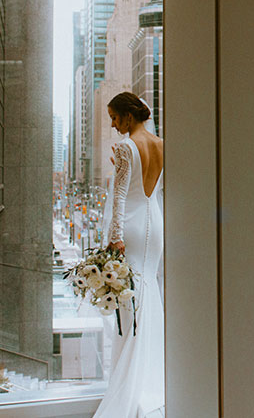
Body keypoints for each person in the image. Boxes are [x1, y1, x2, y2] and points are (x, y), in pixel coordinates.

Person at [93, 92, 165, 418]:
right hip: (154, 222)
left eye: (114, 117)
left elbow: (120, 197)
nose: (112, 124)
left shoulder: (125, 147)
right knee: (147, 290)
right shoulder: (162, 144)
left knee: (128, 303)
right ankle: (151, 380)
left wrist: (114, 239)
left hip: (132, 227)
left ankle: (128, 385)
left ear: (128, 116)